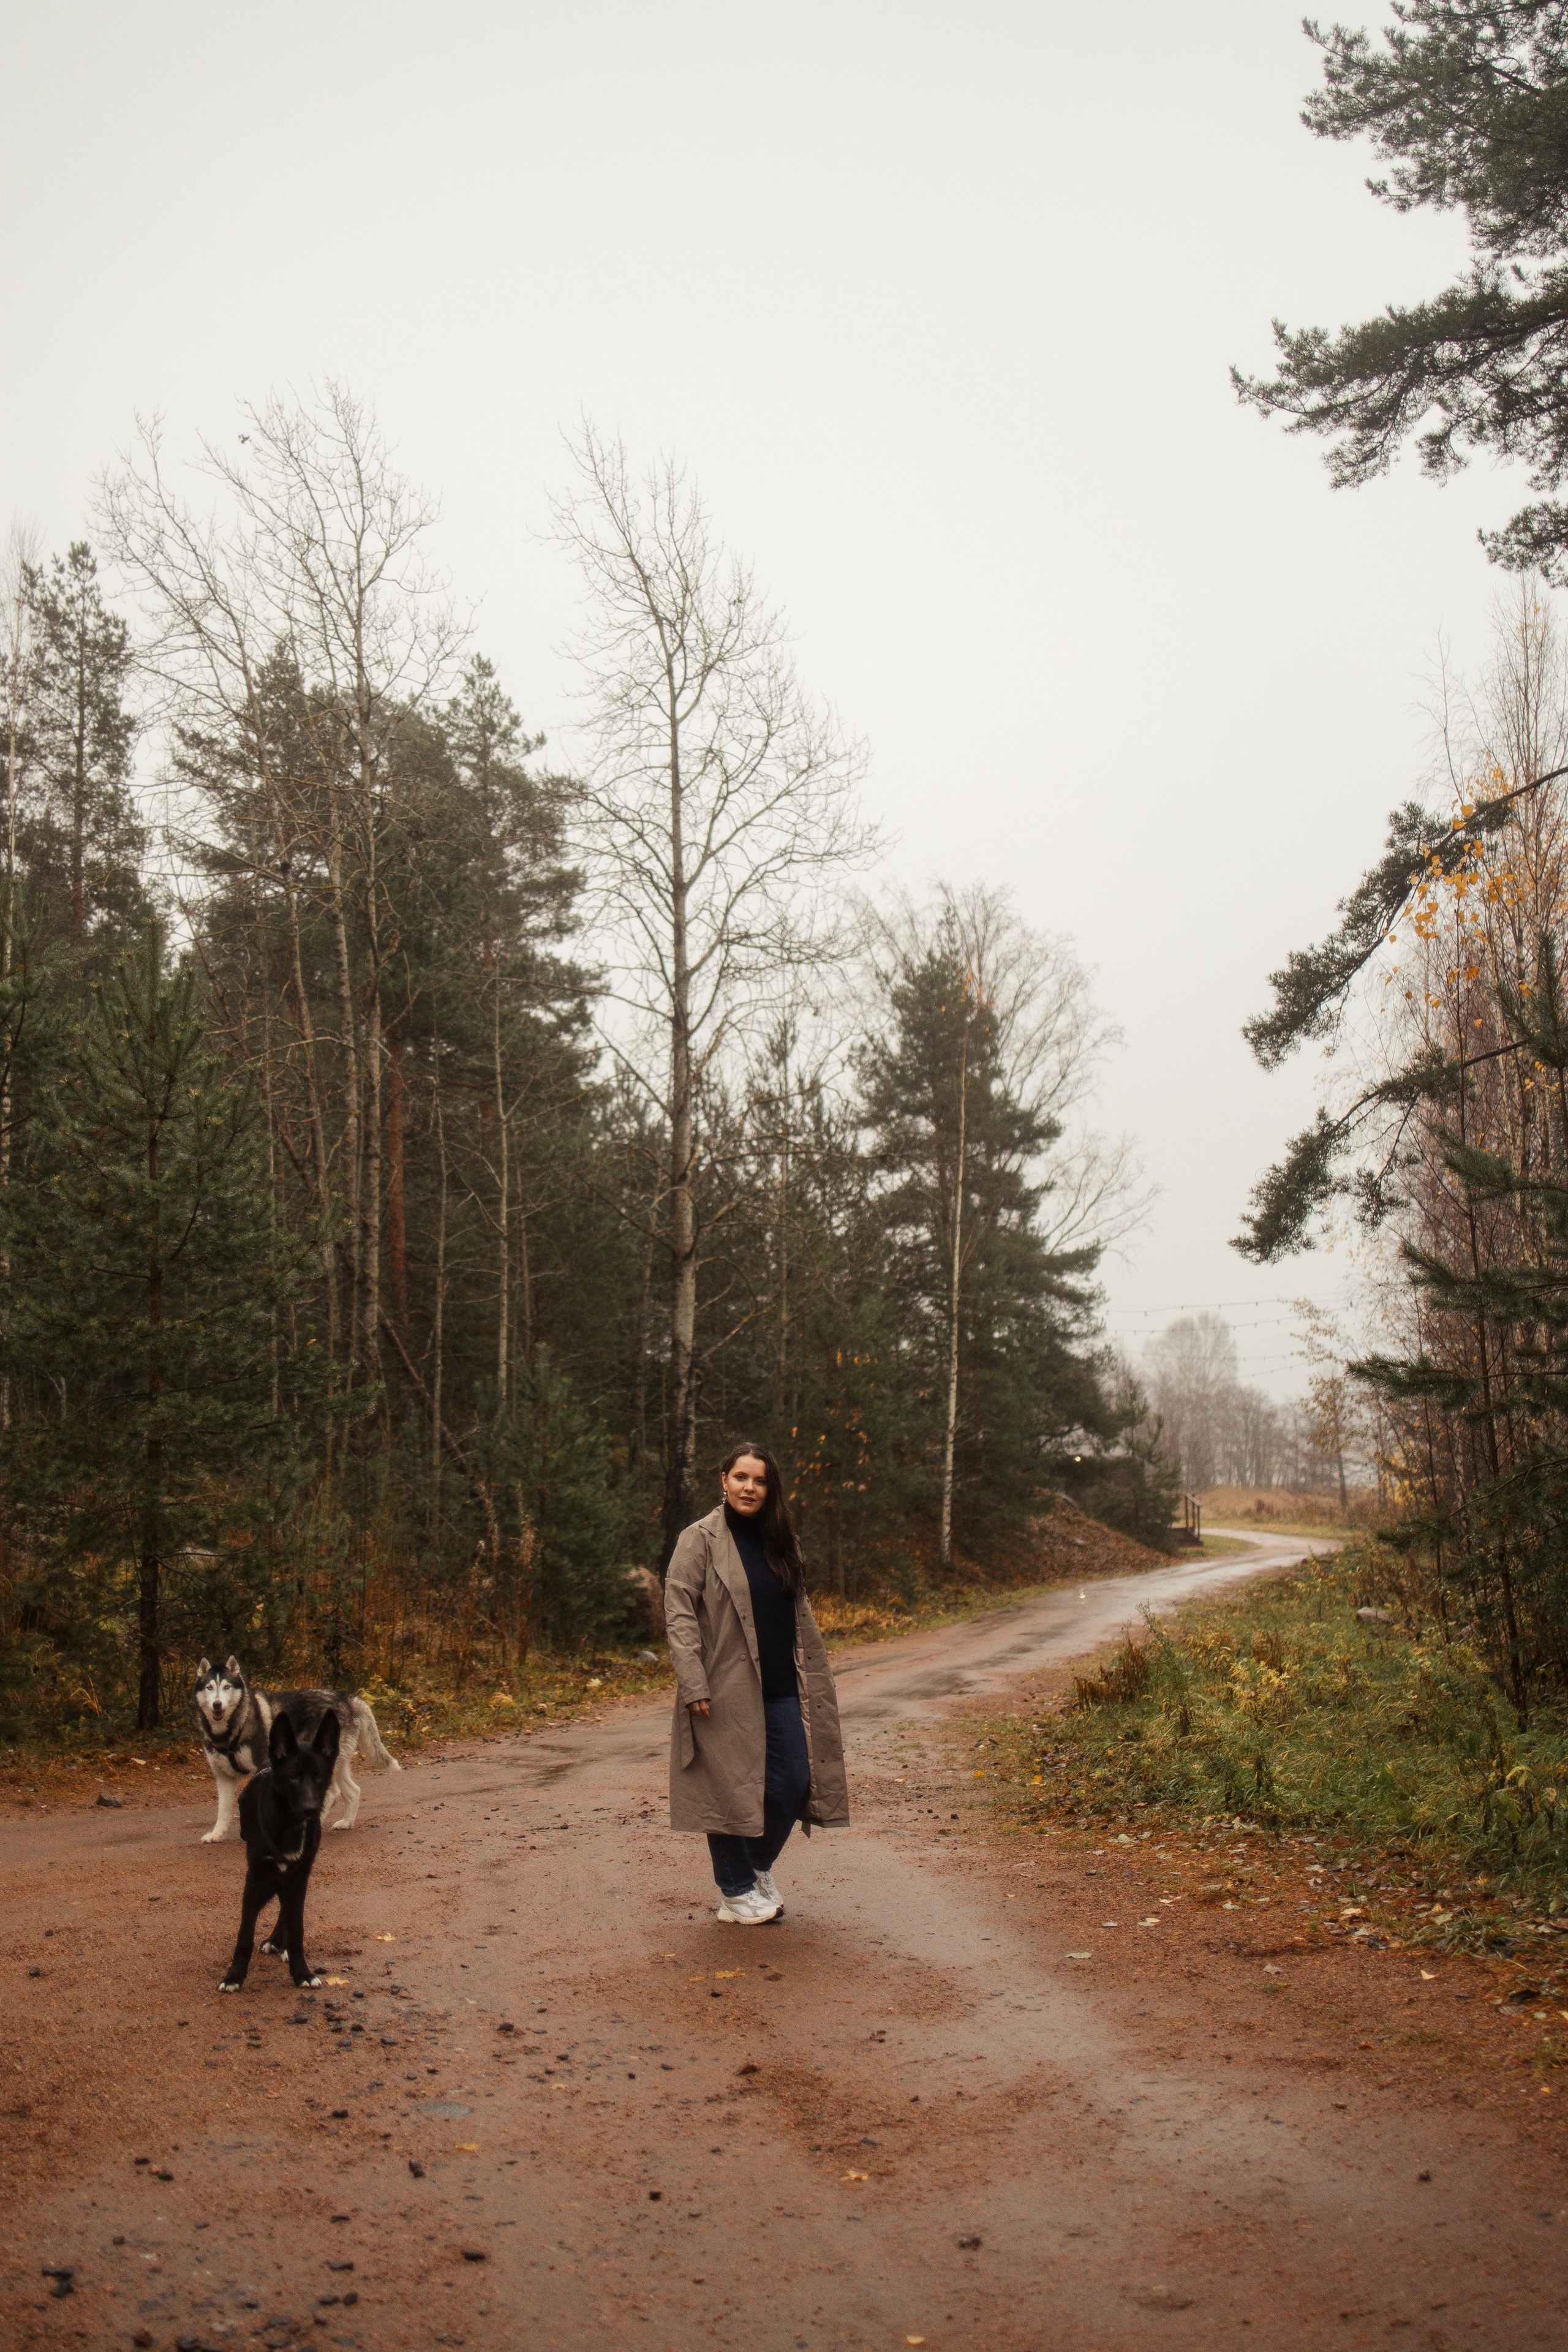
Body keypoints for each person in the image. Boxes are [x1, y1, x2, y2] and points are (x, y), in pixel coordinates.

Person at [664, 1440, 848, 1923]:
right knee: (726, 1787)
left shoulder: (781, 1539)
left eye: (760, 1480)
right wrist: (693, 1682)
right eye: (741, 1477)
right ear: (723, 1481)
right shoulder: (698, 1539)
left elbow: (796, 1613)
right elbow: (679, 1611)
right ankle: (736, 1890)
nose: (750, 1487)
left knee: (793, 1782)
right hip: (722, 1686)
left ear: (771, 1488)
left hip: (784, 1684)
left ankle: (757, 1867)